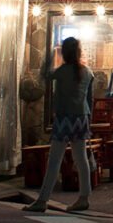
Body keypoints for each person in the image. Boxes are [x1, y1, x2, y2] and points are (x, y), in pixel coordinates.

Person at [26, 36, 95, 213]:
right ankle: (84, 197)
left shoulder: (62, 71)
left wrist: (49, 53)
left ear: (64, 52)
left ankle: (42, 200)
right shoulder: (87, 72)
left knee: (54, 160)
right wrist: (90, 121)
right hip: (82, 118)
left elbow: (44, 75)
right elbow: (90, 99)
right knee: (81, 159)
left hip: (64, 119)